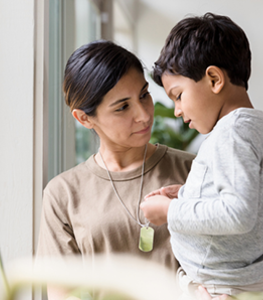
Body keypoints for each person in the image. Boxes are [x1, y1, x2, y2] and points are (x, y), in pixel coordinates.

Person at [36, 40, 196, 300]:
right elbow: (62, 293)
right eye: (122, 107)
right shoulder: (63, 194)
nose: (143, 115)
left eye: (144, 95)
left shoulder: (194, 170)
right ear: (84, 118)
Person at [140, 12, 263, 299]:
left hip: (223, 289)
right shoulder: (251, 127)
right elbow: (250, 196)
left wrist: (169, 212)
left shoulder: (231, 133)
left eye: (178, 95)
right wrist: (190, 193)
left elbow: (237, 214)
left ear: (214, 79)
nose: (178, 110)